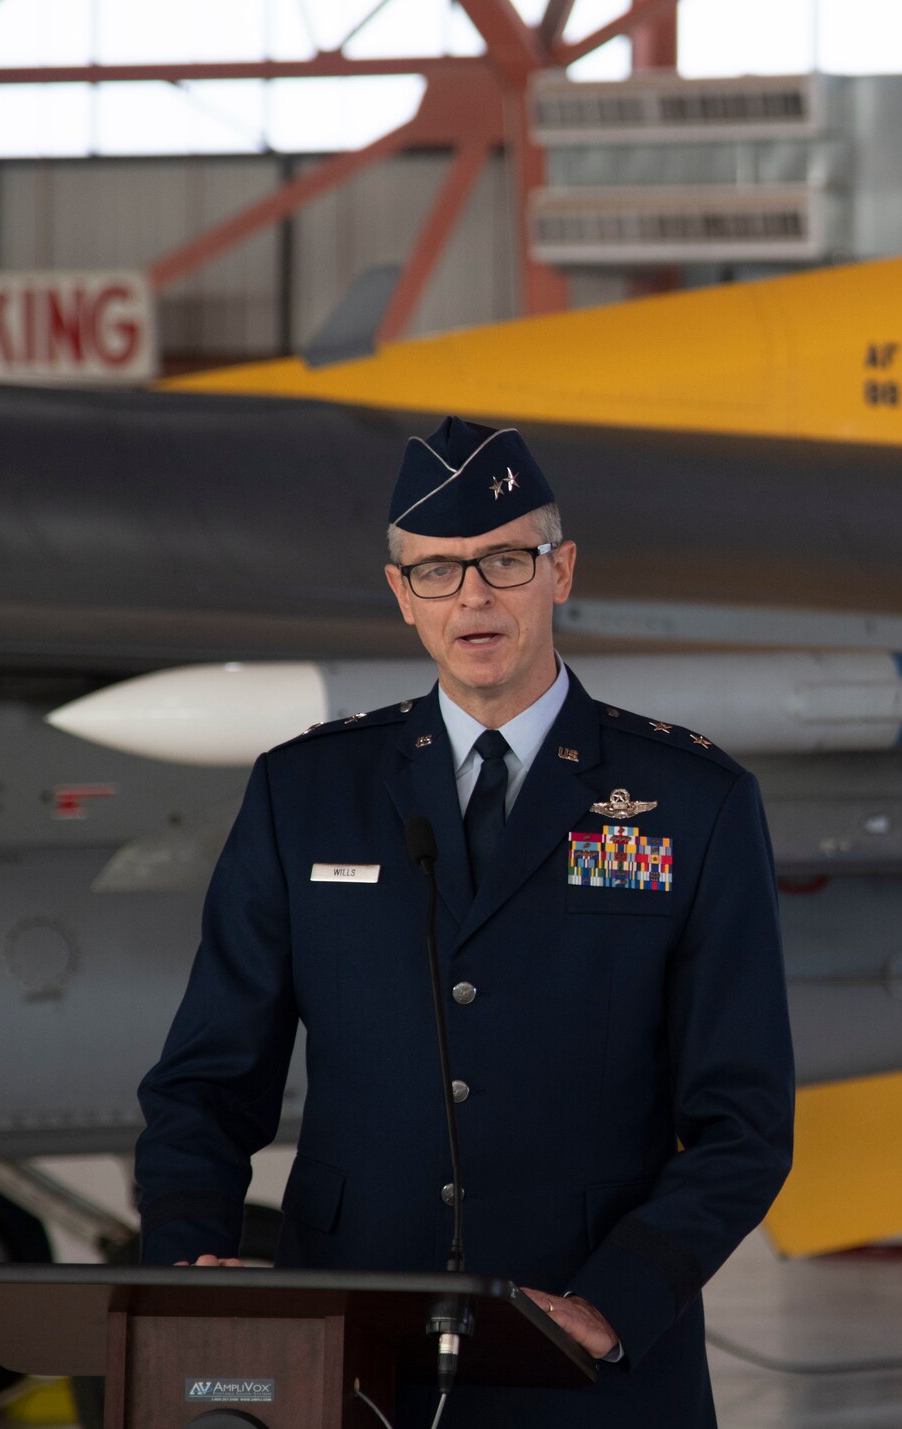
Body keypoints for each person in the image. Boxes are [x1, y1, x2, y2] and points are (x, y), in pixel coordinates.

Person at [134, 416, 795, 1427]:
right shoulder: (303, 792)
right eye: (438, 571)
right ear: (401, 595)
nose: (473, 596)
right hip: (353, 1356)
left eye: (503, 560)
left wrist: (615, 1301)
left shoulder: (692, 800)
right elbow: (207, 1081)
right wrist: (189, 1259)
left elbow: (742, 1122)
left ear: (559, 570)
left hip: (590, 1365)